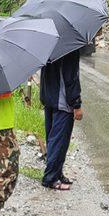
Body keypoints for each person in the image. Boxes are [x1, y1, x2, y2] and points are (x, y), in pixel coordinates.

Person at [39, 49, 82, 191]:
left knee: (52, 139)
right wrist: (76, 104)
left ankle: (57, 173)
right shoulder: (70, 47)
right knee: (59, 142)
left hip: (49, 98)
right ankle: (50, 178)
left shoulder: (48, 44)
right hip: (63, 102)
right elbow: (71, 77)